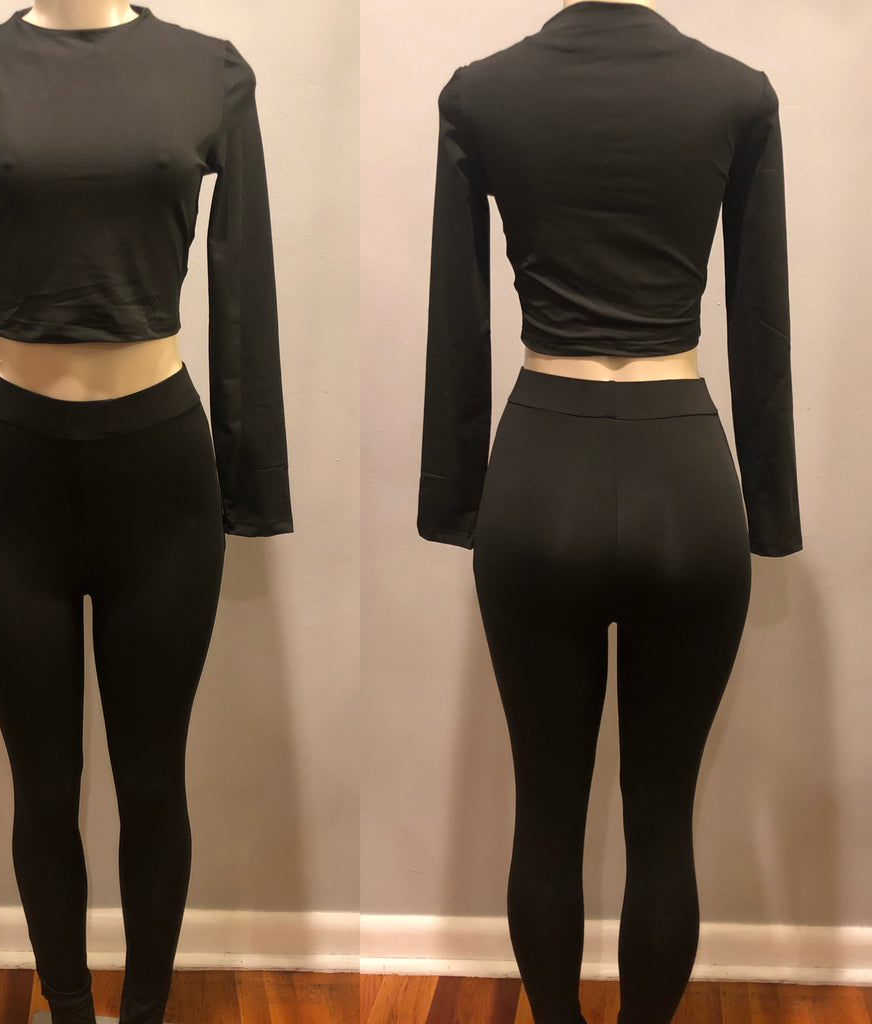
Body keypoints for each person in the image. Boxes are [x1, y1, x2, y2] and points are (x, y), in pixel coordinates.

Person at [0, 4, 292, 1022]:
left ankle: (145, 1008)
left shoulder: (210, 74)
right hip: (11, 484)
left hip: (160, 482)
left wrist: (253, 476)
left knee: (153, 780)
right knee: (43, 786)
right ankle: (68, 1007)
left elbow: (243, 288)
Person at [418, 2, 801, 1023]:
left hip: (539, 477)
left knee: (545, 814)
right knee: (662, 822)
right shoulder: (736, 94)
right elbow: (759, 318)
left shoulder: (481, 92)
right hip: (686, 482)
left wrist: (456, 492)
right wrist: (768, 507)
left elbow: (457, 313)